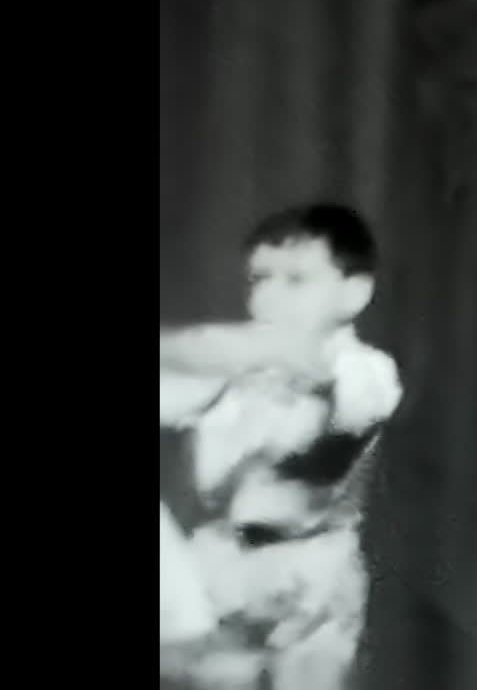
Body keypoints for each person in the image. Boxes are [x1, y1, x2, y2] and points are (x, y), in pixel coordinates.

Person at [159, 203, 403, 690]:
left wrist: (258, 357)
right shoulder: (230, 372)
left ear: (355, 292)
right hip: (222, 565)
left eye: (296, 280)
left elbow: (345, 412)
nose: (270, 295)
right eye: (259, 279)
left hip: (311, 572)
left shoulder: (364, 368)